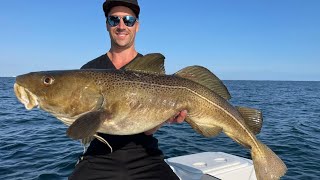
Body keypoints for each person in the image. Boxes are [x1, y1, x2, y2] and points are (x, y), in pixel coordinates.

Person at [69, 0, 187, 179]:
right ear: (107, 25)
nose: (121, 26)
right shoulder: (89, 70)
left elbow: (148, 131)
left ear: (137, 26)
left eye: (128, 20)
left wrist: (162, 117)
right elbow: (81, 126)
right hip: (99, 156)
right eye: (114, 20)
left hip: (145, 155)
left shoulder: (151, 71)